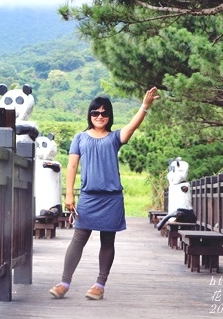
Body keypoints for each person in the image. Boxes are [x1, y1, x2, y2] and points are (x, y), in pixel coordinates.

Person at [49, 87, 160, 300]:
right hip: (88, 197)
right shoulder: (80, 138)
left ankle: (100, 284)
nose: (100, 117)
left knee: (108, 241)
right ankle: (64, 282)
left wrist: (144, 107)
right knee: (78, 238)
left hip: (111, 199)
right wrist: (69, 195)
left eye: (104, 113)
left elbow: (131, 127)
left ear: (109, 116)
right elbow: (71, 167)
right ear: (90, 115)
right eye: (95, 113)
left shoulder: (115, 137)